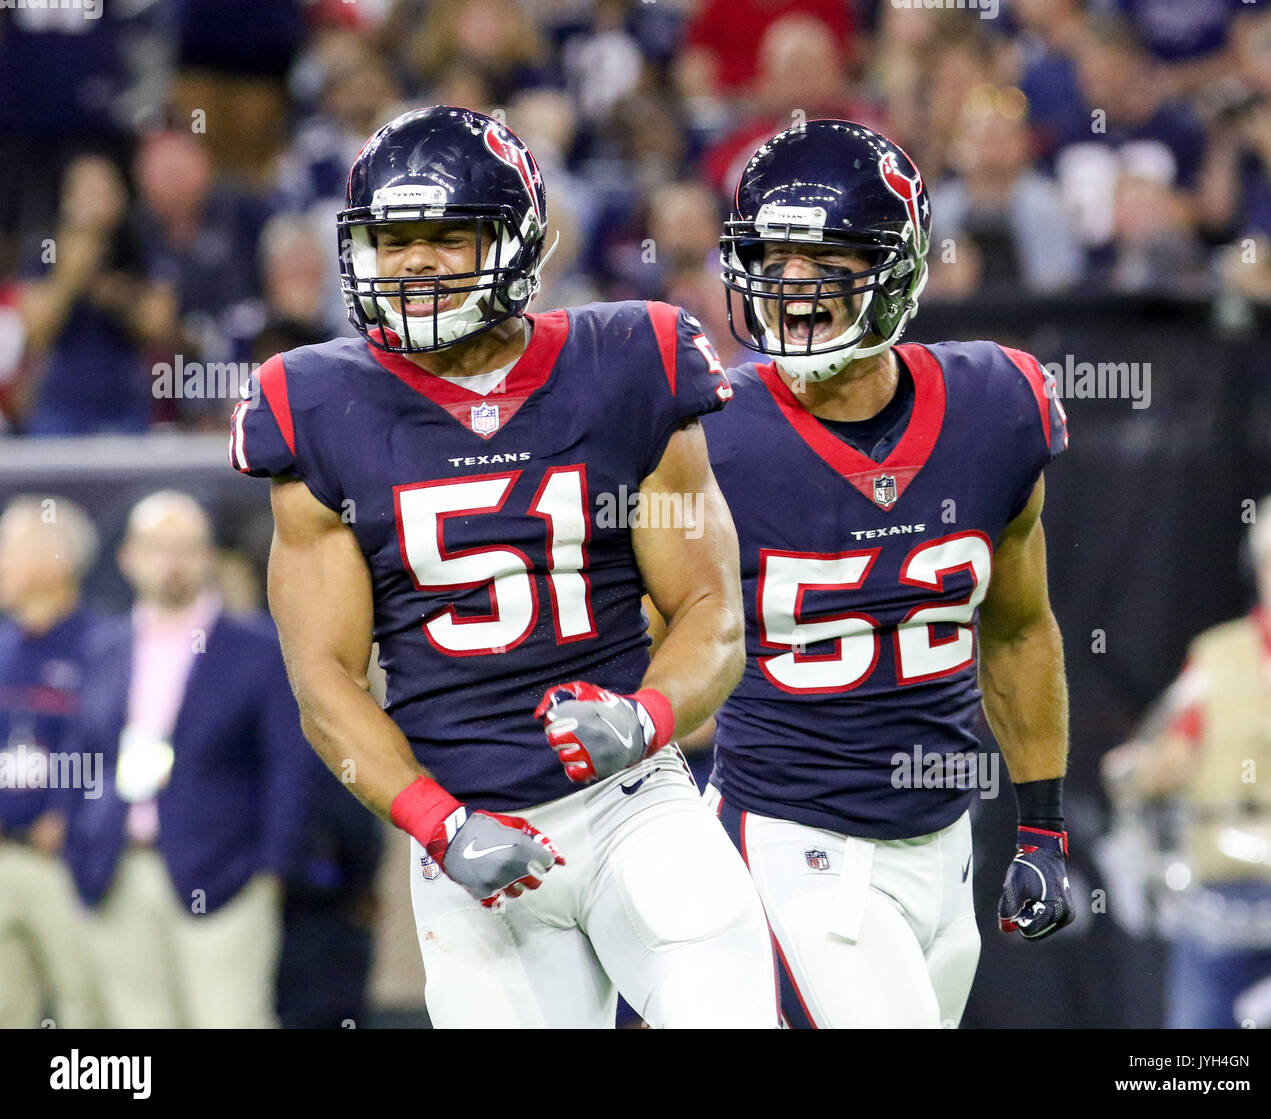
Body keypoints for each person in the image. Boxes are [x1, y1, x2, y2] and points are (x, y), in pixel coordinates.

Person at [230, 105, 776, 1028]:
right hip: (470, 823)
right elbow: (323, 678)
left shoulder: (628, 359)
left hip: (630, 800)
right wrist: (438, 823)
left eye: (447, 236)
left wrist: (644, 719)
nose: (413, 261)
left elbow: (712, 609)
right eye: (393, 239)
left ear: (517, 241)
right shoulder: (312, 400)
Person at [697, 119, 1075, 1028]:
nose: (792, 286)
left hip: (945, 845)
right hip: (790, 839)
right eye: (772, 258)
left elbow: (1020, 627)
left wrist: (1042, 822)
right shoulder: (708, 432)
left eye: (822, 258)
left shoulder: (997, 406)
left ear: (895, 266)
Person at [63, 491, 308, 1028]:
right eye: (157, 548)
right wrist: (81, 846)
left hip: (224, 873)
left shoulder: (255, 649)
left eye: (187, 548)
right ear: (128, 556)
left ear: (209, 557)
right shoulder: (104, 648)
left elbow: (288, 767)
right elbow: (81, 756)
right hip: (119, 869)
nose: (171, 563)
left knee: (230, 1019)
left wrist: (271, 868)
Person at [1103, 491, 1271, 1029]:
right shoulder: (1217, 656)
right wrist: (1141, 770)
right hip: (1219, 897)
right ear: (1259, 570)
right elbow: (1177, 752)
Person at [0, 496, 103, 1028]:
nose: (1, 564)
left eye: (9, 550)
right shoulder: (3, 646)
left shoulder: (103, 648)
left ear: (54, 561)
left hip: (66, 865)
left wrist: (69, 813)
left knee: (85, 1006)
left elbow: (108, 752)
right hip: (3, 855)